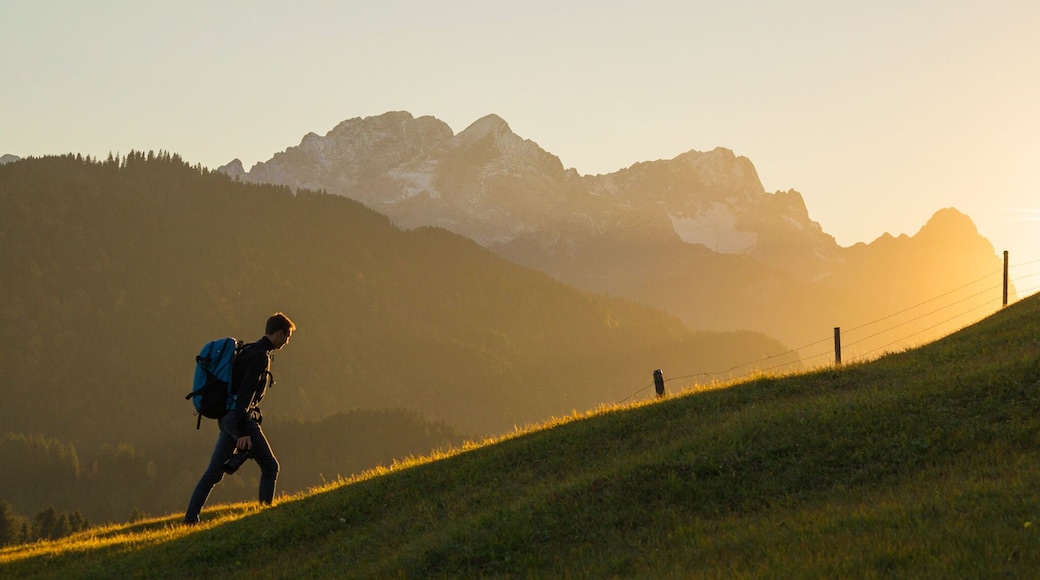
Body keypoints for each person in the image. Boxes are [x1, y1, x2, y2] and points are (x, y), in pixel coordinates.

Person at [183, 312, 296, 525]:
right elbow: (245, 394)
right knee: (270, 466)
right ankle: (265, 517)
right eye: (287, 336)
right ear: (279, 333)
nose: (286, 342)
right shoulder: (260, 356)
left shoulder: (247, 350)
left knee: (213, 474)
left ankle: (190, 520)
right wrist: (243, 431)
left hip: (227, 417)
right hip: (238, 418)